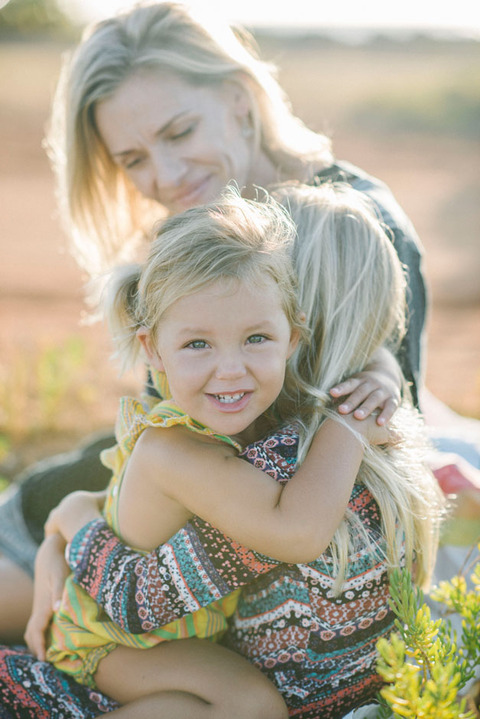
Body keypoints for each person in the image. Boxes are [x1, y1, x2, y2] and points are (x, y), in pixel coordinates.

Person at [0, 0, 416, 644]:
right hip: (91, 512)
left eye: (179, 132)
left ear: (240, 100)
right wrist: (69, 519)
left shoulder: (346, 226)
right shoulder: (191, 237)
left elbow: (375, 413)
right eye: (132, 159)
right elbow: (166, 429)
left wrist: (79, 530)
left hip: (146, 547)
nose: (162, 177)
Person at [3, 182, 445, 719]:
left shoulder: (237, 429)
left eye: (256, 338)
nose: (230, 368)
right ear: (154, 350)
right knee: (249, 706)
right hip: (109, 637)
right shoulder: (207, 449)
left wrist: (382, 369)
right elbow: (298, 532)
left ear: (294, 336)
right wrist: (347, 426)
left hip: (160, 630)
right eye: (198, 344)